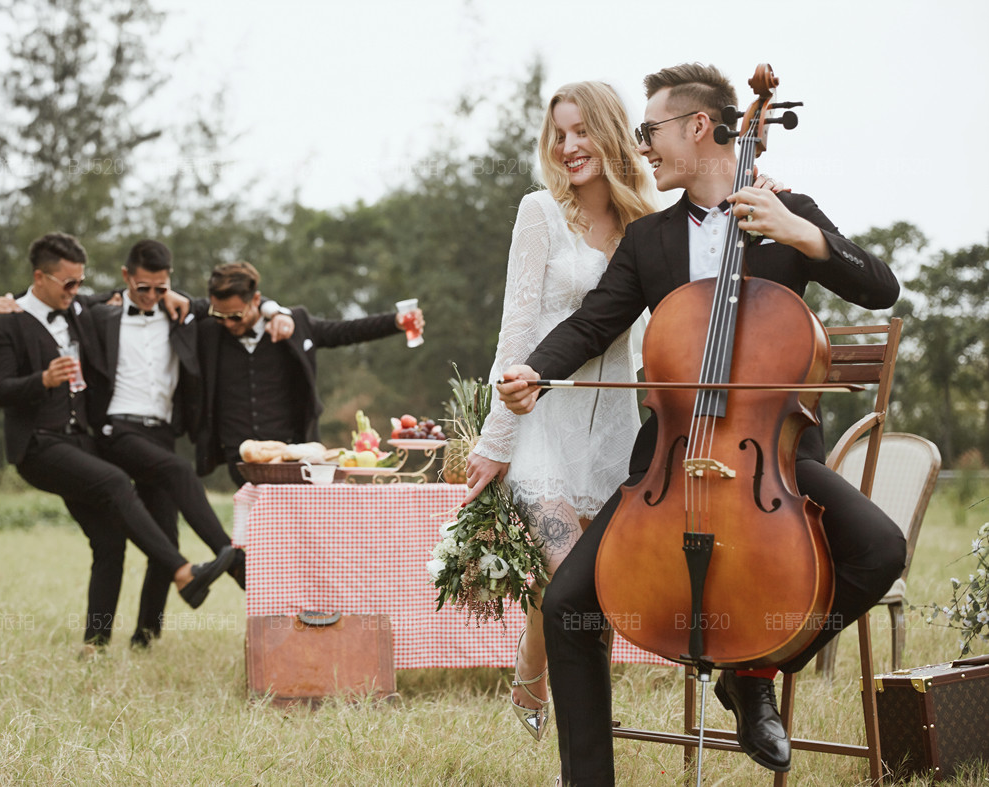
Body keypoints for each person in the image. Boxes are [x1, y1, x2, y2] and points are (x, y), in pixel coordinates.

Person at [498, 63, 905, 783]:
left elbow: (879, 285)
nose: (642, 144)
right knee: (567, 604)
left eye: (651, 130)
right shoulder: (651, 238)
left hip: (769, 461)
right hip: (670, 460)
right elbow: (595, 323)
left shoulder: (789, 212)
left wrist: (805, 236)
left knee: (880, 548)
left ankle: (754, 669)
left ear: (698, 128)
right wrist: (537, 368)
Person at [460, 81, 654, 741]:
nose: (569, 147)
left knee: (578, 589)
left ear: (611, 132)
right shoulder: (540, 212)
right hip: (541, 432)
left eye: (582, 131)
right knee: (572, 572)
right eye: (559, 134)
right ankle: (580, 729)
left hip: (612, 435)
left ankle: (534, 666)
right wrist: (495, 441)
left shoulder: (647, 227)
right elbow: (516, 334)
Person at [0, 231, 235, 650]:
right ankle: (182, 572)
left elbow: (133, 294)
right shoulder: (6, 324)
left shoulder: (79, 308)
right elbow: (0, 390)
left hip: (80, 442)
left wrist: (178, 296)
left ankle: (95, 643)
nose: (77, 290)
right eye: (68, 282)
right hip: (39, 446)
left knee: (109, 542)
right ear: (40, 277)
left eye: (80, 282)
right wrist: (41, 380)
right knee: (117, 482)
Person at [87, 240, 283, 647]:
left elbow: (240, 302)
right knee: (177, 473)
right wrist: (13, 302)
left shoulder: (181, 315)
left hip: (160, 433)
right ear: (126, 278)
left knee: (166, 541)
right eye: (144, 288)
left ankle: (145, 636)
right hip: (117, 429)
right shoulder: (100, 312)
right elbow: (63, 299)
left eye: (162, 287)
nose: (154, 296)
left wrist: (273, 309)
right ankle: (232, 559)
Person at [194, 261, 424, 486]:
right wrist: (272, 309)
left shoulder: (296, 325)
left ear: (255, 300)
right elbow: (187, 305)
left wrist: (394, 322)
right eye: (218, 315)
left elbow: (346, 331)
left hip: (294, 452)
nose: (227, 324)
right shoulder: (209, 333)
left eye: (235, 316)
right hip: (240, 455)